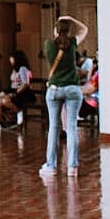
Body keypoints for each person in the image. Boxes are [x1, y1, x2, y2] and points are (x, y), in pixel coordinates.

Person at [39, 14, 88, 181]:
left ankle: (51, 166)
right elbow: (85, 30)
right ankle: (72, 167)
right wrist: (72, 19)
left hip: (54, 89)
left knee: (54, 127)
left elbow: (54, 39)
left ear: (55, 30)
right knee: (72, 127)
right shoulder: (73, 43)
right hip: (73, 89)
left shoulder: (48, 45)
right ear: (68, 31)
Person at [0, 49, 32, 131]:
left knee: (1, 101)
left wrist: (14, 93)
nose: (10, 60)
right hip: (12, 90)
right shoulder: (15, 69)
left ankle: (18, 112)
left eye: (11, 58)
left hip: (21, 93)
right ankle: (1, 120)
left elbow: (26, 84)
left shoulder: (23, 69)